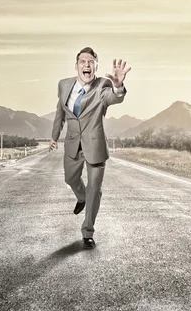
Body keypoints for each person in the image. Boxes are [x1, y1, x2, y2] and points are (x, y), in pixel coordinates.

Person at [49, 47, 131, 249]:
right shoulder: (63, 85)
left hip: (95, 145)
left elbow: (114, 97)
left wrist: (118, 86)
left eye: (91, 62)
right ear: (76, 66)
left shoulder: (103, 86)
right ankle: (82, 197)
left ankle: (87, 231)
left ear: (96, 66)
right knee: (70, 178)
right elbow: (60, 112)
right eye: (83, 62)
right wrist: (54, 137)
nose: (87, 65)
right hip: (72, 144)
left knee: (95, 189)